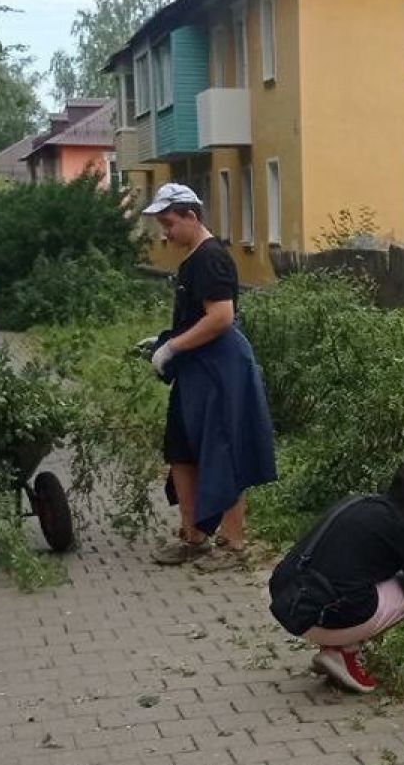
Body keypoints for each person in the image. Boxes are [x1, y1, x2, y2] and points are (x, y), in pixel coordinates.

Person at [140, 182, 276, 572]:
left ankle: (234, 546)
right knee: (181, 449)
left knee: (223, 450)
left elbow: (221, 317)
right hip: (196, 370)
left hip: (221, 371)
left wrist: (173, 348)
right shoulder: (192, 260)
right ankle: (194, 536)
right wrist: (165, 340)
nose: (164, 233)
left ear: (191, 217)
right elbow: (197, 317)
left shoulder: (212, 258)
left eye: (168, 223)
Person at [268, 459, 404, 694]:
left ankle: (337, 646)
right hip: (318, 618)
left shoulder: (359, 503)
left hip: (287, 599)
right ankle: (344, 652)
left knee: (368, 575)